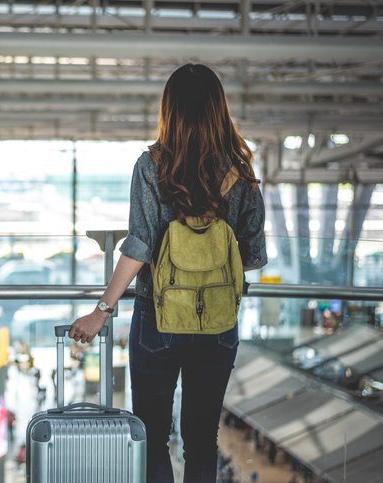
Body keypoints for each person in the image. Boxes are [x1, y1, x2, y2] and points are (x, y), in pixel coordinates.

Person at [69, 64, 267, 483]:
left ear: (170, 109)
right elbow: (251, 256)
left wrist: (100, 311)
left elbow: (138, 247)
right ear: (219, 108)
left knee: (152, 437)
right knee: (201, 441)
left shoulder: (153, 166)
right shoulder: (242, 172)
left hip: (158, 319)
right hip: (217, 322)